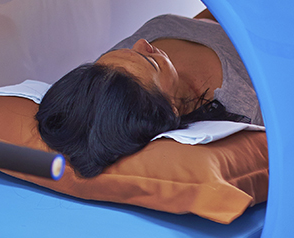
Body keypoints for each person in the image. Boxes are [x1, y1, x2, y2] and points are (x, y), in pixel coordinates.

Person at [35, 10, 262, 178]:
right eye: (151, 62)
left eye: (125, 49)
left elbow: (216, 17)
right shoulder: (249, 105)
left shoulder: (113, 76)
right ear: (170, 107)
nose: (142, 43)